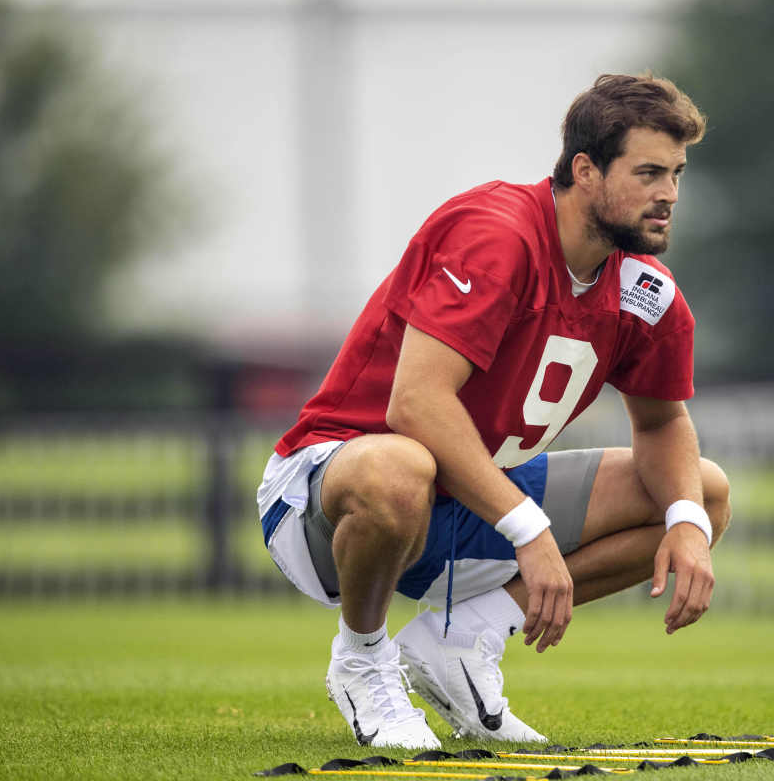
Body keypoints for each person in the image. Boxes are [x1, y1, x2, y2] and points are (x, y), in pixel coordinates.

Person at [256, 72, 731, 749]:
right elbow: (415, 405)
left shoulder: (643, 290)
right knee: (401, 466)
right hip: (331, 489)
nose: (669, 195)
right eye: (650, 172)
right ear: (585, 171)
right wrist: (530, 532)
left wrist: (685, 524)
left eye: (677, 174)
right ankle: (361, 656)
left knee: (704, 496)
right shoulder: (497, 232)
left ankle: (462, 639)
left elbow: (661, 424)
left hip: (469, 503)